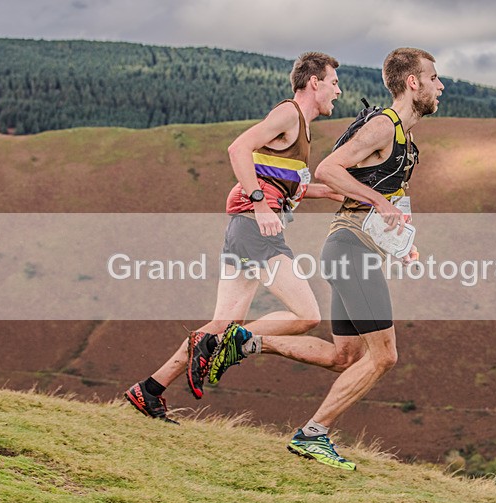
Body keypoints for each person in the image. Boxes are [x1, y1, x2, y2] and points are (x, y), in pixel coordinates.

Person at [208, 48, 444, 470]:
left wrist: (401, 242)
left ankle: (248, 341)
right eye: (434, 78)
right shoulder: (383, 125)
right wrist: (378, 203)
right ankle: (313, 434)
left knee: (345, 357)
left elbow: (387, 199)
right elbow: (329, 169)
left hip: (356, 249)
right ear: (413, 83)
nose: (440, 86)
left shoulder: (406, 140)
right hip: (350, 250)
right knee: (385, 356)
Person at [125, 52, 343, 423]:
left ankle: (149, 389)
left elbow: (294, 186)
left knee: (220, 324)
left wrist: (349, 195)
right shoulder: (289, 114)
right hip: (256, 226)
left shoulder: (300, 129)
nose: (338, 91)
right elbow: (238, 148)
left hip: (244, 228)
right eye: (334, 83)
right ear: (314, 83)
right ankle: (224, 344)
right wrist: (259, 203)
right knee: (306, 315)